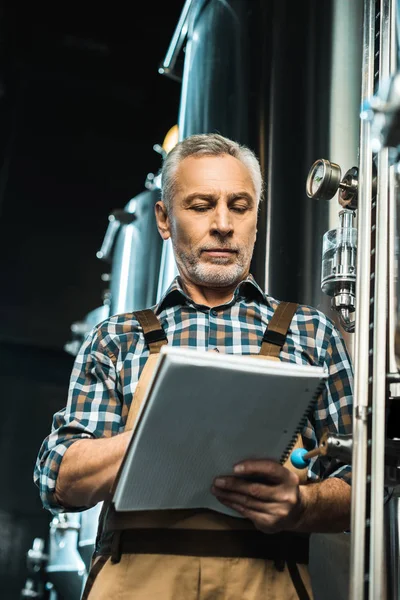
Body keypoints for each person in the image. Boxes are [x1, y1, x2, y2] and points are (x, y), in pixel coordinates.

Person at [34, 132, 353, 600]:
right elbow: (58, 477)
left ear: (256, 220)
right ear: (163, 218)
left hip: (265, 583)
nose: (223, 224)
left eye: (239, 206)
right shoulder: (117, 339)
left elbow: (361, 486)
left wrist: (300, 505)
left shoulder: (312, 333)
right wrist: (164, 428)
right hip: (138, 584)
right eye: (201, 205)